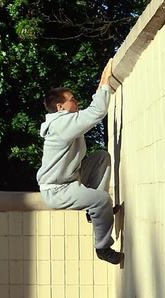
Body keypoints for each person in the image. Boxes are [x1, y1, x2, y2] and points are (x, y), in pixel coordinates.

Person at [37, 59, 122, 264]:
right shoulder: (61, 124)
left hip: (71, 178)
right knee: (102, 201)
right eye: (72, 100)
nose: (77, 102)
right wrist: (104, 82)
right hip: (57, 189)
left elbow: (88, 113)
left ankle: (95, 213)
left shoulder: (65, 121)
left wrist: (100, 89)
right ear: (60, 107)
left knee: (101, 157)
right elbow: (96, 113)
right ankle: (102, 247)